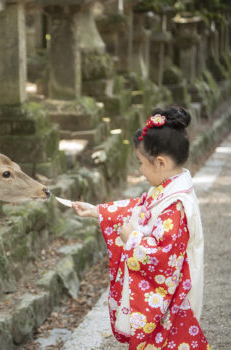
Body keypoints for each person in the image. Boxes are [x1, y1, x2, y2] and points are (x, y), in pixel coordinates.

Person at [72, 106, 210, 350]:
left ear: (159, 162)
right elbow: (140, 208)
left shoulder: (175, 205)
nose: (140, 171)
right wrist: (97, 211)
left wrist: (132, 239)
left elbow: (163, 256)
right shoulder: (169, 188)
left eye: (140, 163)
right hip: (171, 290)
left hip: (175, 296)